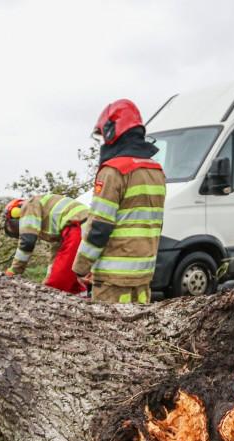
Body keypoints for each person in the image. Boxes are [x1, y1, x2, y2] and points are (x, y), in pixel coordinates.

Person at [71, 99, 166, 304]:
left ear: (111, 131)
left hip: (112, 279)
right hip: (143, 274)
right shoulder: (156, 170)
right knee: (139, 331)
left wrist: (81, 267)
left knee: (108, 334)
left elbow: (100, 226)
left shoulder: (113, 171)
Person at [2, 194, 89, 294]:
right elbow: (56, 257)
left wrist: (13, 271)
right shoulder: (52, 225)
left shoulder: (29, 205)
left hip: (78, 227)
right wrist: (47, 280)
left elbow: (27, 242)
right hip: (87, 229)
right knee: (74, 284)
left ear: (16, 214)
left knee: (57, 285)